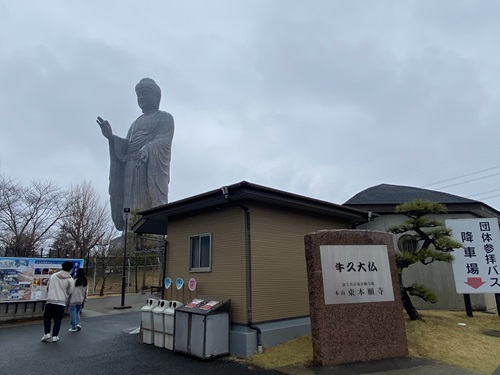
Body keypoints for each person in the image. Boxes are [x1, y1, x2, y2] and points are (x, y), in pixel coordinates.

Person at [96, 78, 175, 231]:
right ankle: (129, 233)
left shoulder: (165, 118)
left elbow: (165, 140)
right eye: (138, 95)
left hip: (147, 169)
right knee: (129, 204)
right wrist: (111, 137)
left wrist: (148, 148)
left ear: (157, 96)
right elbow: (127, 146)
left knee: (144, 202)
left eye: (145, 93)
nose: (141, 98)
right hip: (130, 169)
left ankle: (148, 232)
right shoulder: (136, 123)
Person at [41, 261, 74, 342]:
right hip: (61, 302)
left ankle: (46, 334)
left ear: (62, 267)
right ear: (70, 269)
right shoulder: (70, 279)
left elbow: (48, 287)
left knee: (47, 318)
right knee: (58, 319)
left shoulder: (53, 276)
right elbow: (70, 291)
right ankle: (55, 336)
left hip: (50, 300)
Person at [68, 268, 88, 332]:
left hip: (73, 299)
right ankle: (78, 324)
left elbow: (70, 290)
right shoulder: (85, 282)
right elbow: (86, 292)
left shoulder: (75, 281)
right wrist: (85, 299)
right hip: (80, 300)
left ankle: (73, 327)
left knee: (72, 313)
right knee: (77, 312)